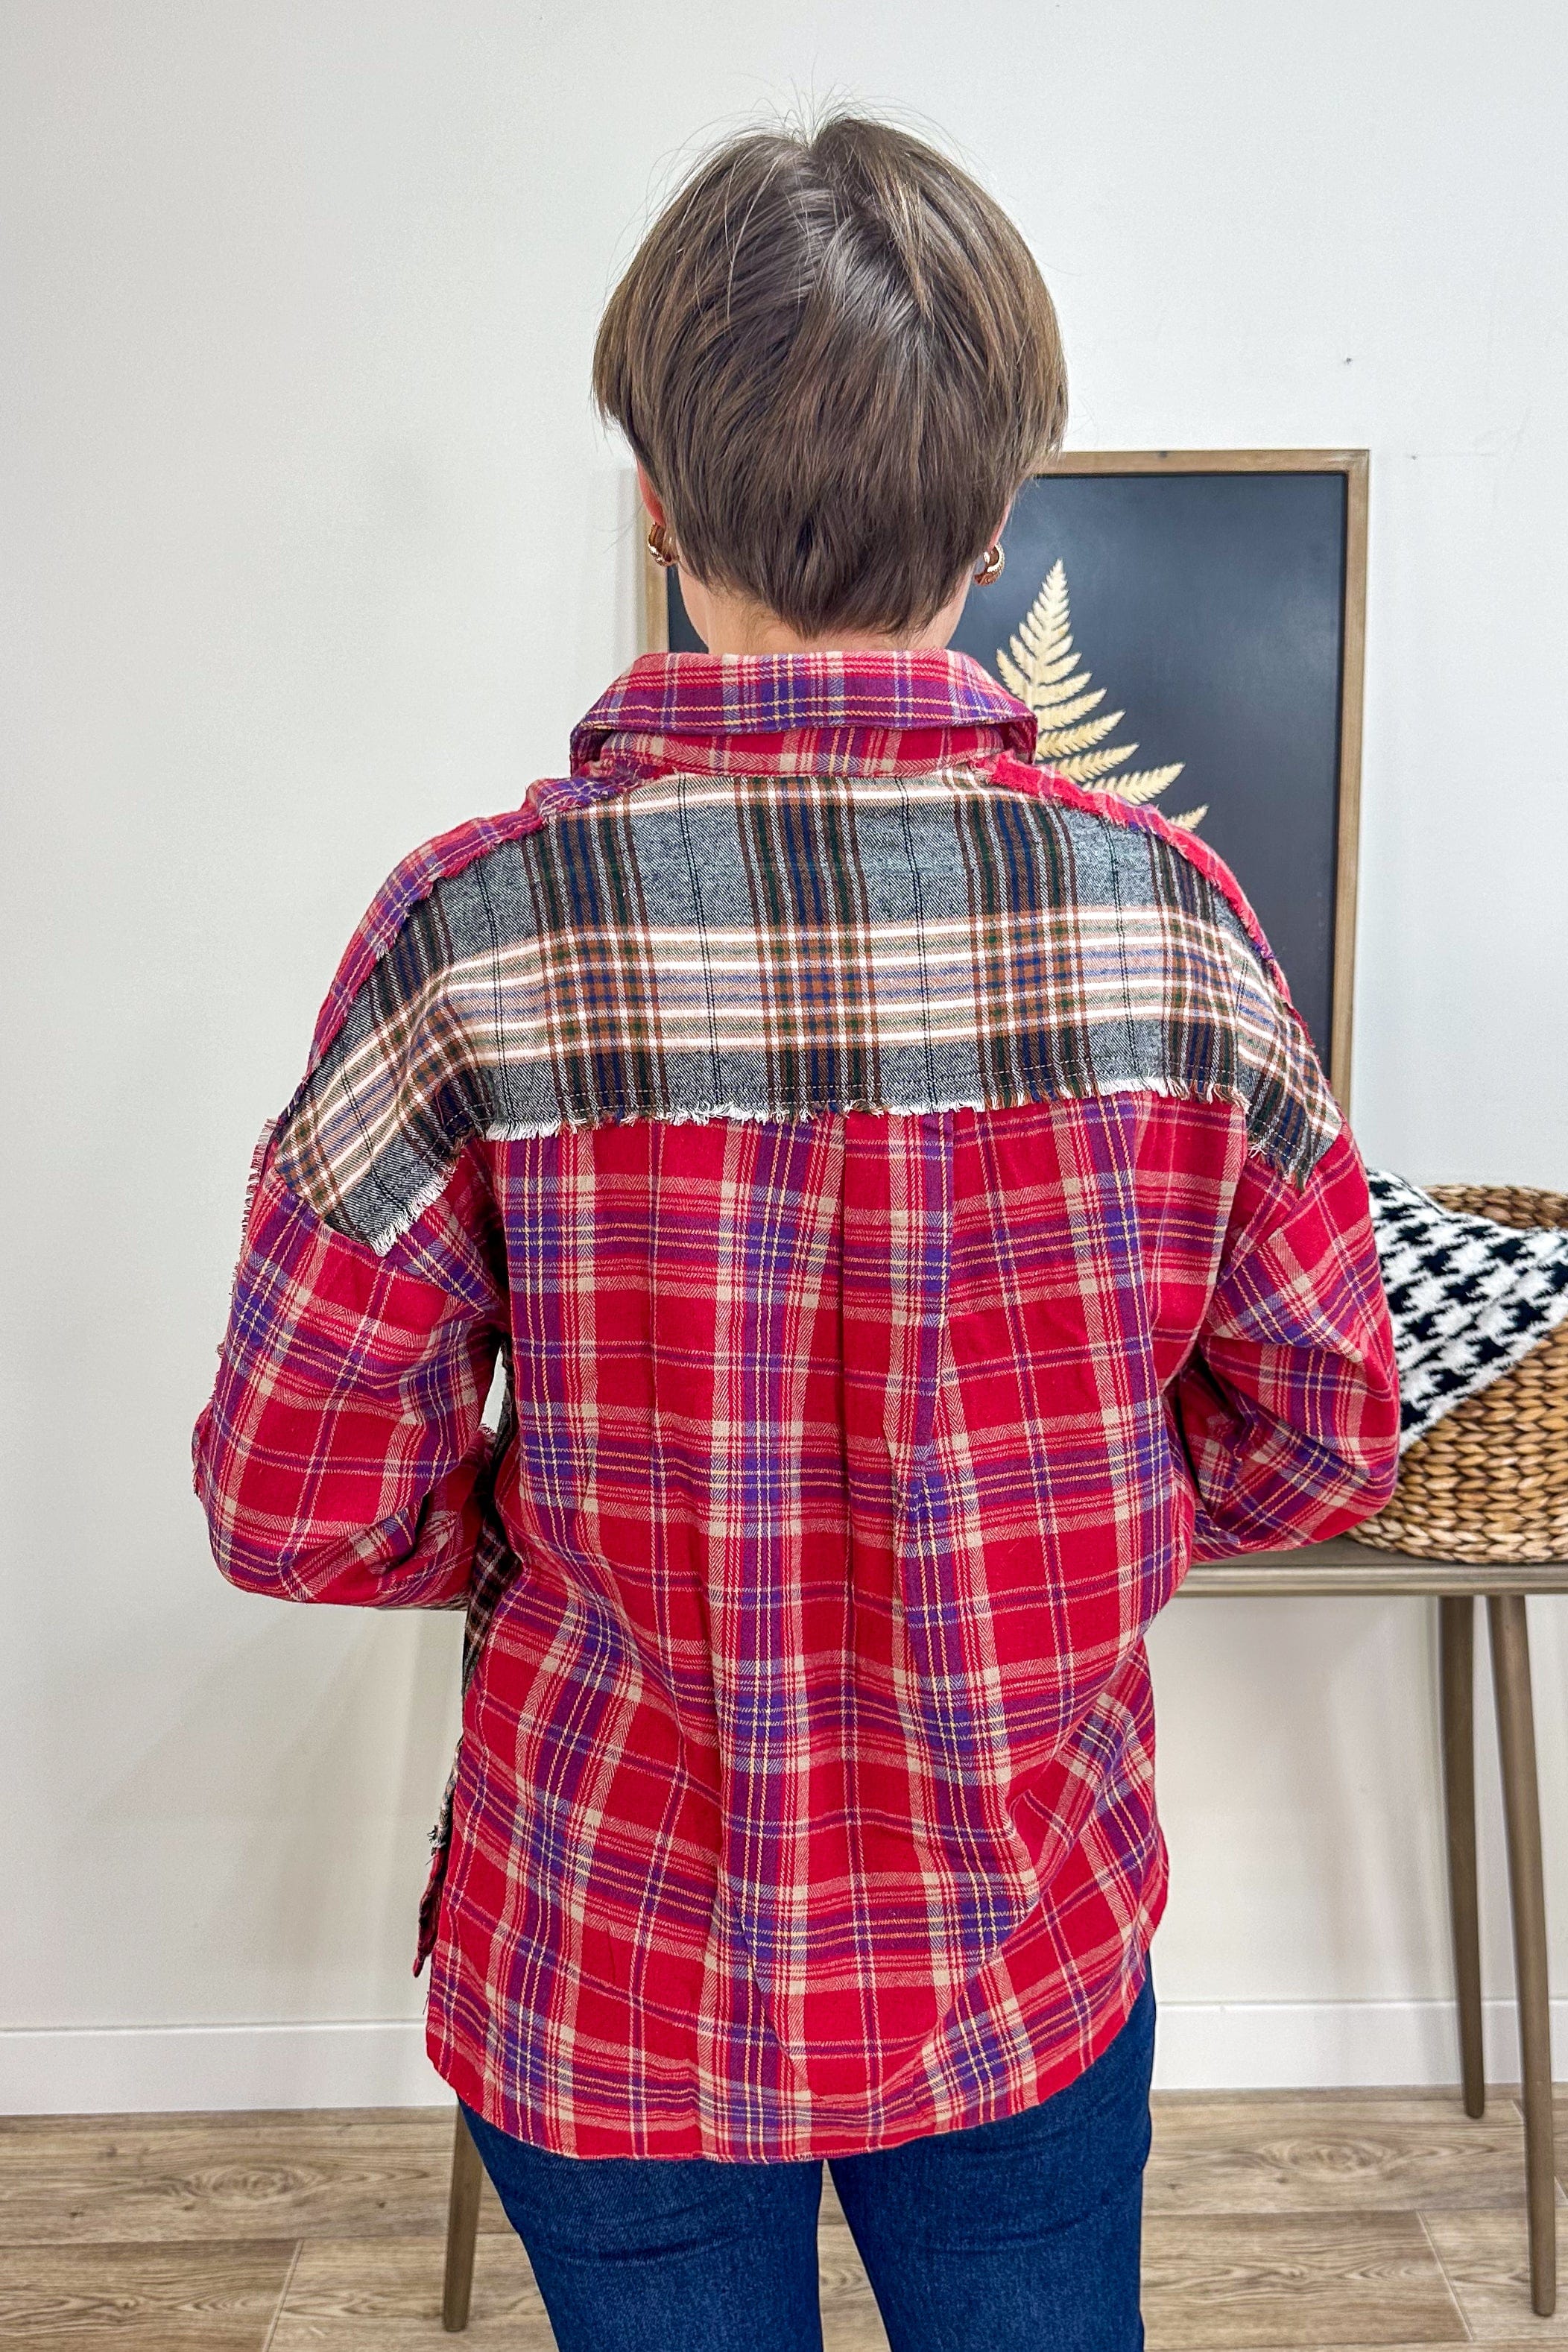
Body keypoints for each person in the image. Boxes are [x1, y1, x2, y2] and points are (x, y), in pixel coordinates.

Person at [194, 110, 1399, 2352]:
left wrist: (543, 1521)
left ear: (654, 500)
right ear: (1001, 514)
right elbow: (1325, 1433)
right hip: (1021, 1937)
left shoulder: (474, 937)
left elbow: (294, 1502)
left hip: (613, 1971)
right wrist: (1060, 1502)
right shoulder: (1176, 932)